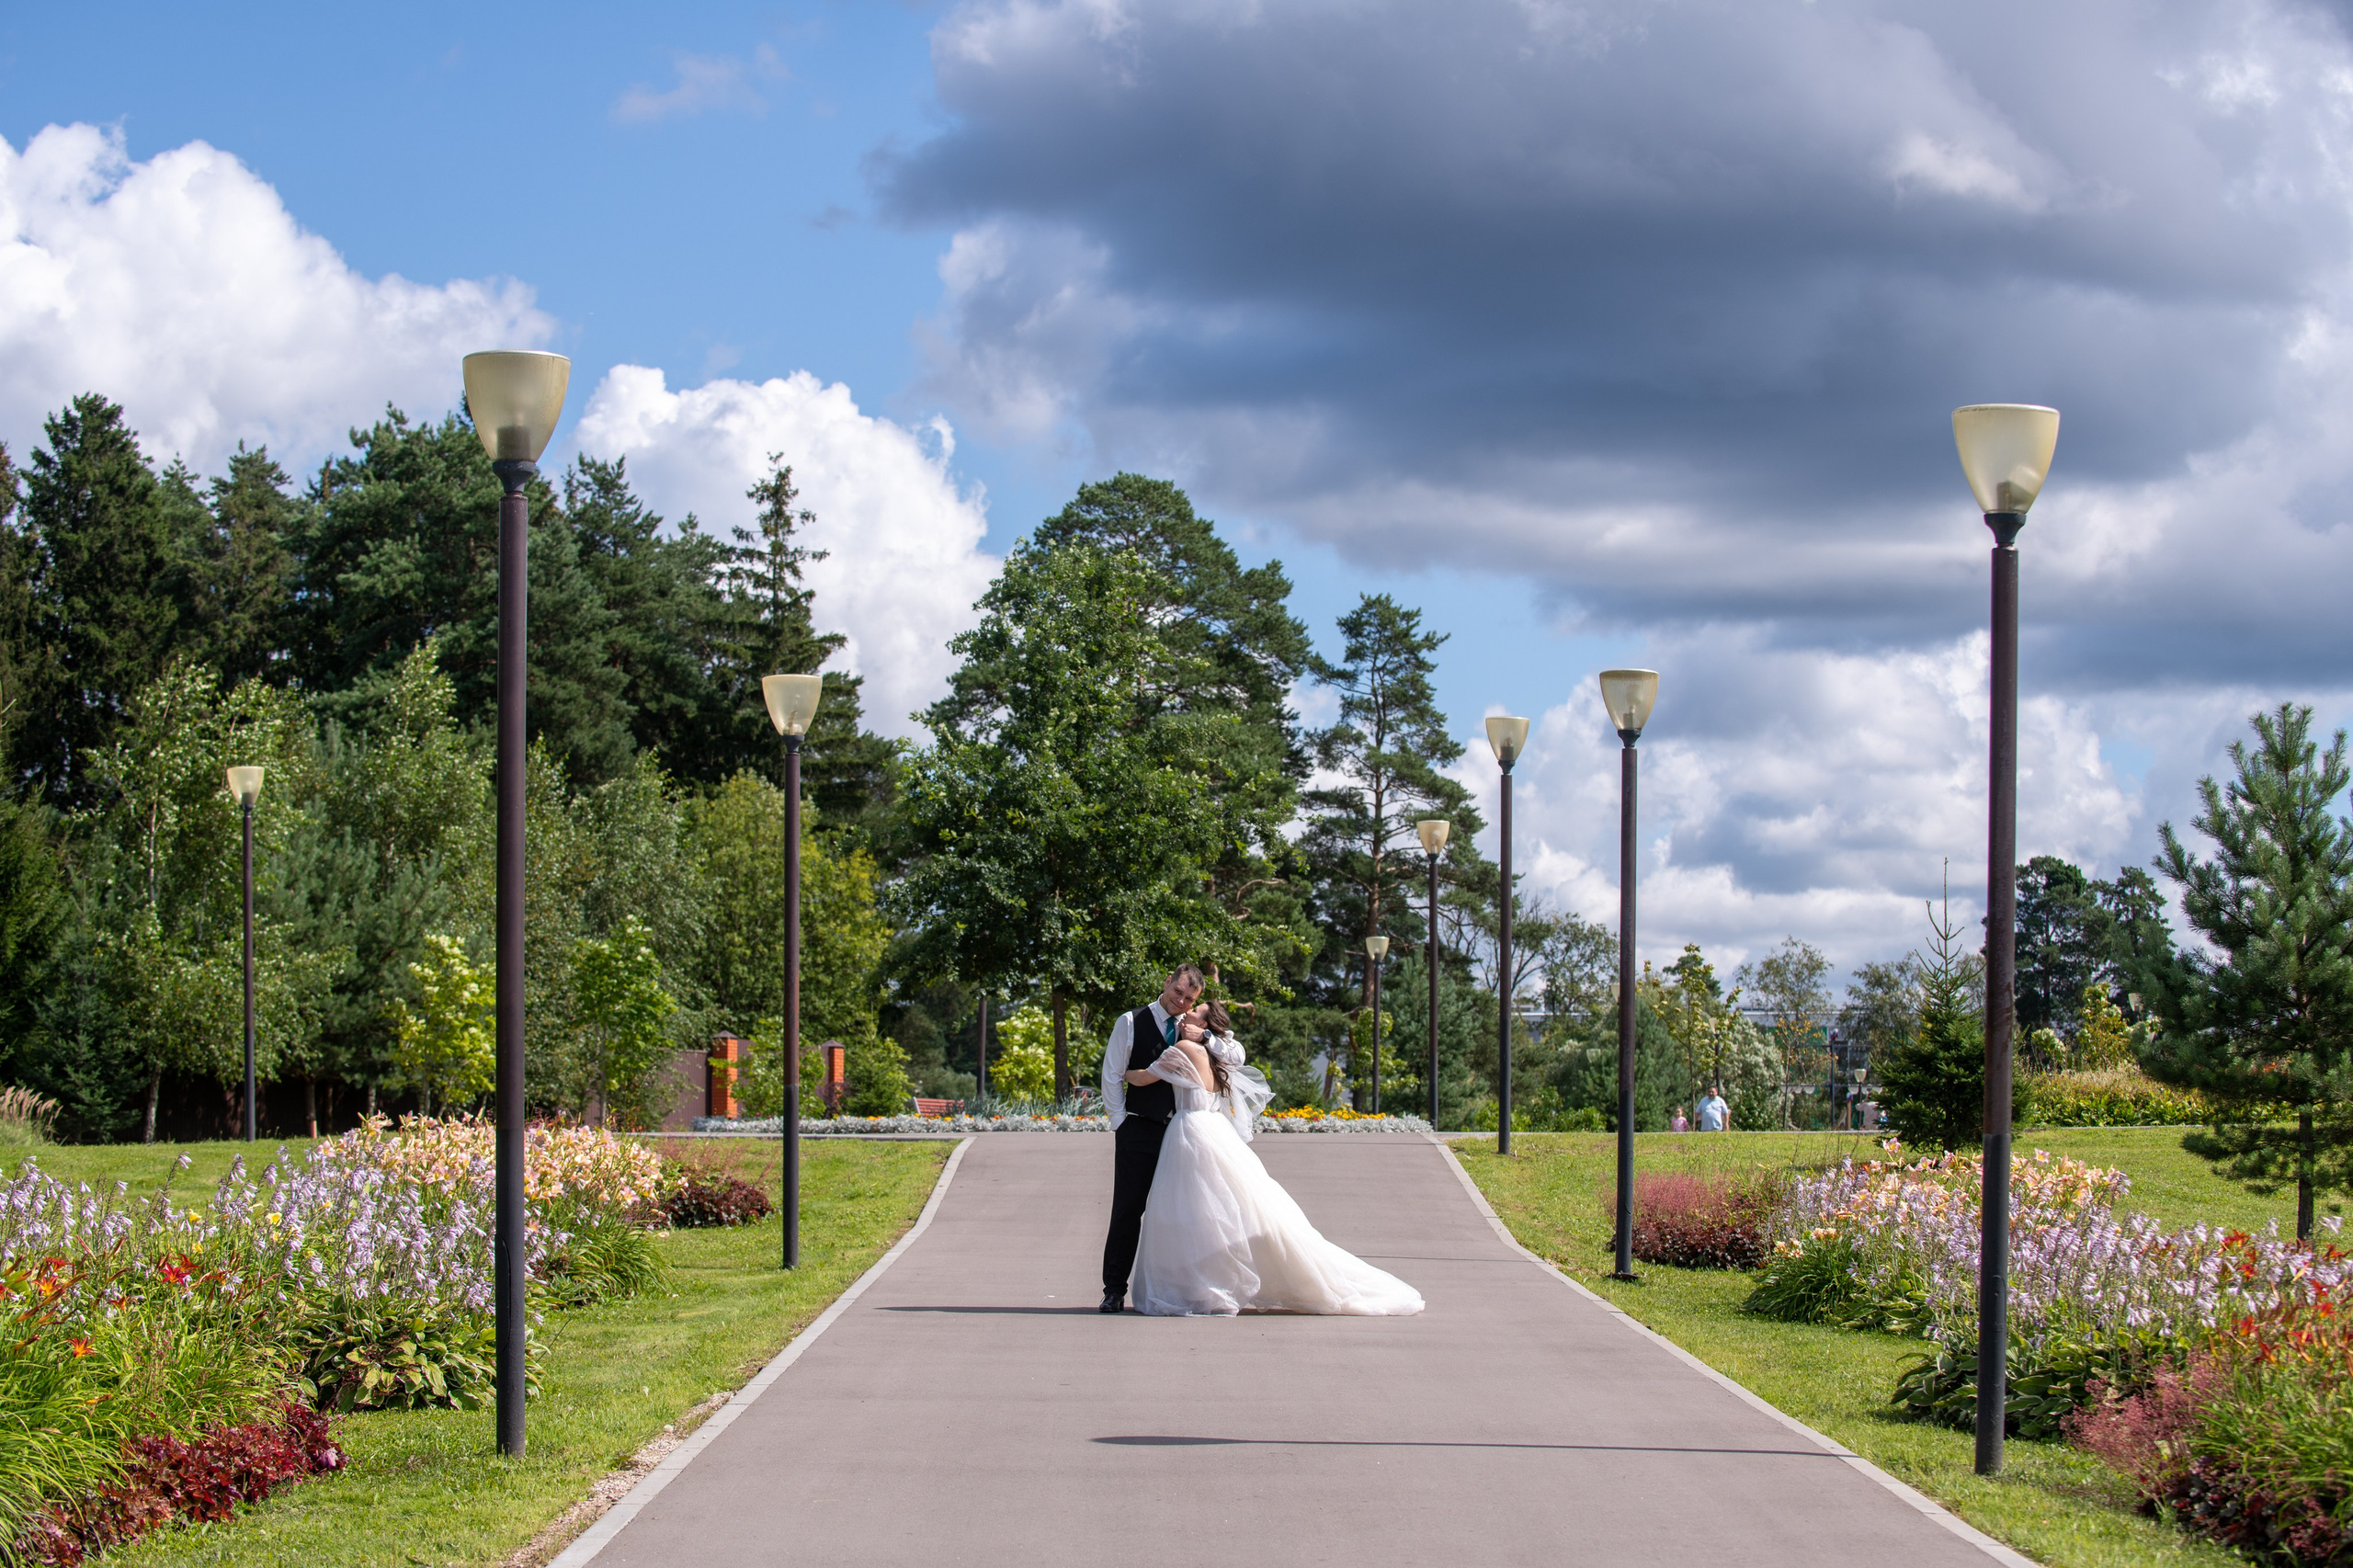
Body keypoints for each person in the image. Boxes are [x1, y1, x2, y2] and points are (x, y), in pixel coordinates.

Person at [1123, 998, 1425, 1318]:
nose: (1186, 1014)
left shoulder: (1185, 1047)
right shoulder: (1217, 1057)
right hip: (1215, 1131)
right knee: (1214, 1209)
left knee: (1193, 1210)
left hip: (1191, 1131)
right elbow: (1230, 1054)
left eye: (1194, 1012)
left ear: (1205, 1025)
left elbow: (1144, 1077)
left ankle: (1199, 1286)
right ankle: (1205, 1284)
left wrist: (1119, 1070)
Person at [1099, 964, 1214, 1313]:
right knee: (1128, 1209)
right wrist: (1121, 1122)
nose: (1181, 1001)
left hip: (1182, 1132)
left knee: (1180, 1213)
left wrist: (1205, 1037)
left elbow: (1234, 1053)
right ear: (1166, 981)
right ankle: (1114, 1289)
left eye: (1189, 998)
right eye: (1178, 992)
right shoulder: (1131, 1022)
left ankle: (1178, 1289)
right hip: (1139, 1129)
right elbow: (1113, 1074)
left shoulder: (1194, 1027)